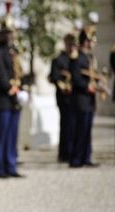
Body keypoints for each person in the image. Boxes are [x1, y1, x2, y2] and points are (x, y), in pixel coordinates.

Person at [0, 27, 25, 178]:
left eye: (11, 33)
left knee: (12, 136)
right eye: (7, 33)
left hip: (14, 99)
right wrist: (12, 88)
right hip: (2, 100)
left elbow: (20, 72)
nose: (10, 36)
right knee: (1, 136)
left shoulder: (13, 51)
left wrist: (23, 88)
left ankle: (11, 166)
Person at [68, 28, 101, 168]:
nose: (93, 44)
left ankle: (86, 157)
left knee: (87, 130)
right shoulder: (77, 57)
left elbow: (92, 76)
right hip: (80, 99)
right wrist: (88, 86)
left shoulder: (90, 58)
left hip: (89, 99)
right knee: (79, 130)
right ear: (85, 42)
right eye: (91, 41)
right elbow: (76, 79)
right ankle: (76, 158)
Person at [49, 33, 77, 163]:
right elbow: (54, 77)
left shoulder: (75, 59)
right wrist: (64, 86)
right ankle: (64, 153)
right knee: (66, 125)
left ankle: (73, 151)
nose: (71, 46)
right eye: (69, 43)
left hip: (75, 96)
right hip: (64, 97)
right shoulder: (58, 59)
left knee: (74, 126)